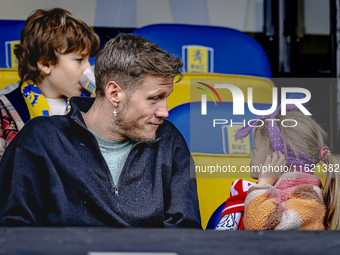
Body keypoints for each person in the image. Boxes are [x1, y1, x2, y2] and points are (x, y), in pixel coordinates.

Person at [0, 33, 202, 228]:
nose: (165, 112)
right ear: (115, 93)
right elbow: (15, 231)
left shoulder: (169, 140)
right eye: (155, 98)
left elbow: (184, 233)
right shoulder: (40, 139)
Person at [0, 8, 100, 159]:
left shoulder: (89, 106)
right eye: (79, 60)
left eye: (88, 60)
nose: (88, 68)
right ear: (46, 64)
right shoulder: (6, 109)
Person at [216, 106, 326, 230]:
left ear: (275, 157)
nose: (250, 154)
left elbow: (260, 228)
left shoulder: (308, 198)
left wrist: (263, 185)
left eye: (255, 148)